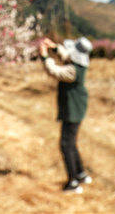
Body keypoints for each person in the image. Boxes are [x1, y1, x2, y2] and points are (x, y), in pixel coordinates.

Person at [39, 36, 93, 193]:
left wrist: (44, 56)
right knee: (72, 142)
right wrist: (54, 47)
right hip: (77, 106)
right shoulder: (78, 64)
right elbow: (67, 55)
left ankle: (73, 182)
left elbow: (54, 71)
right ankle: (81, 174)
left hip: (72, 109)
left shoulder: (72, 71)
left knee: (65, 144)